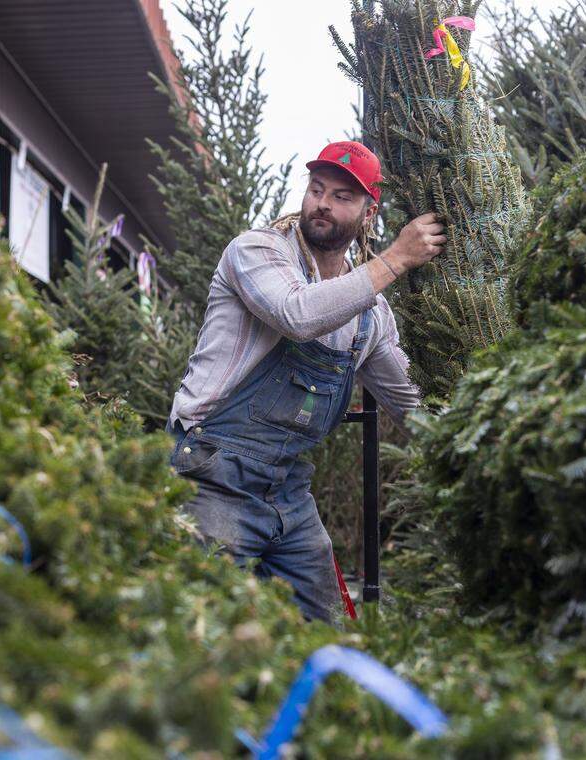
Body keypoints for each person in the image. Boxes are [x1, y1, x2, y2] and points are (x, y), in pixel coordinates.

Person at [166, 140, 445, 622]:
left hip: (288, 491)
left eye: (342, 196)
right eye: (317, 189)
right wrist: (397, 258)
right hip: (213, 475)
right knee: (199, 629)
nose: (322, 203)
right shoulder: (256, 253)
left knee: (323, 631)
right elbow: (297, 314)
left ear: (367, 213)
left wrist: (467, 437)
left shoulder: (369, 314)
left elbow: (411, 404)